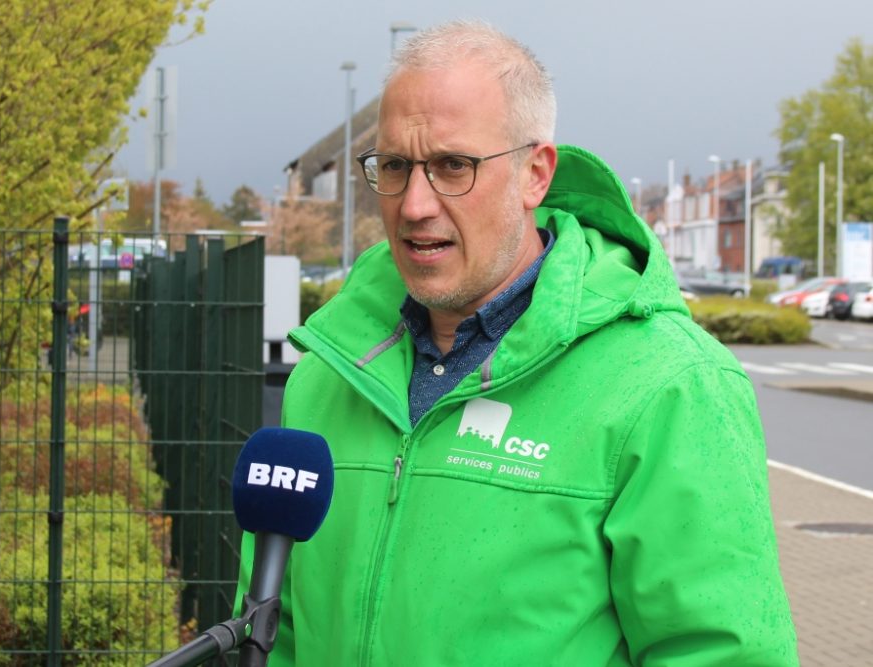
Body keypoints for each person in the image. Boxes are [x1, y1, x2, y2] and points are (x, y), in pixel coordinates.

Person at [238, 19, 798, 666]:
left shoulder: (669, 385)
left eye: (453, 165)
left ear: (536, 174)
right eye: (394, 166)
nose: (415, 203)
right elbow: (270, 631)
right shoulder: (327, 375)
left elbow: (724, 654)